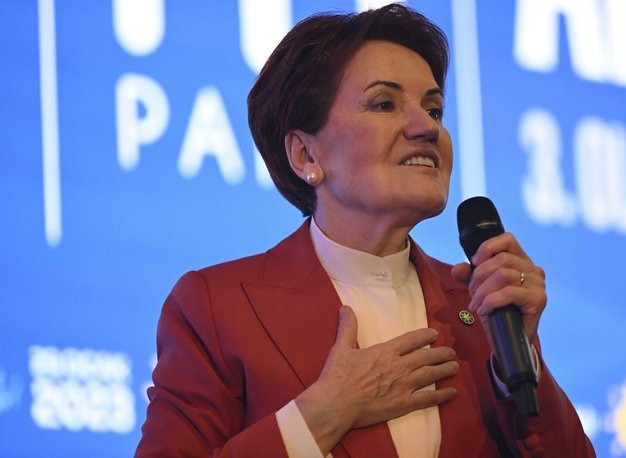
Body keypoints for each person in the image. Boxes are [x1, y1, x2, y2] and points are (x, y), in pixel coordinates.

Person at [136, 4, 594, 457]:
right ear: (306, 156)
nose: (426, 128)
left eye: (434, 110)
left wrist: (519, 363)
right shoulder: (217, 307)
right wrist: (320, 415)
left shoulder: (480, 304)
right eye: (384, 104)